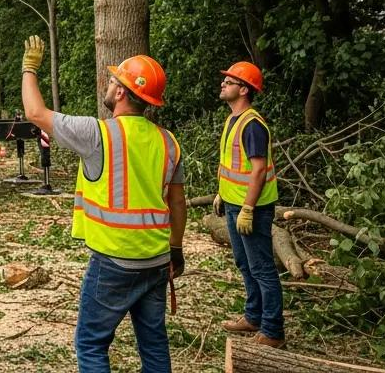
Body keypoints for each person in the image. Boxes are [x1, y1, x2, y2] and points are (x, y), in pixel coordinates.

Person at [21, 36, 186, 373]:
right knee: (154, 344)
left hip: (114, 262)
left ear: (123, 92)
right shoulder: (168, 141)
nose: (108, 86)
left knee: (91, 344)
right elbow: (178, 201)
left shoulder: (98, 134)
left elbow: (35, 112)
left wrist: (29, 68)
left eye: (113, 81)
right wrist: (176, 250)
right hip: (156, 260)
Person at [213, 61, 283, 348]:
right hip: (233, 203)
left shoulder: (253, 125)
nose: (223, 84)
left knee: (262, 268)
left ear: (243, 89)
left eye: (229, 81)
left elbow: (257, 170)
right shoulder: (234, 119)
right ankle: (253, 316)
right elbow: (232, 165)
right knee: (244, 263)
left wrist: (248, 208)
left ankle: (273, 331)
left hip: (252, 208)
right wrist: (222, 193)